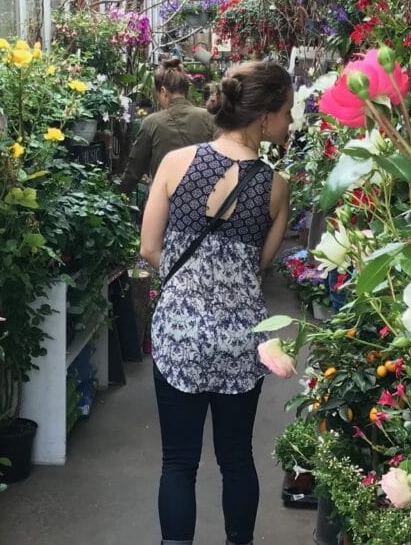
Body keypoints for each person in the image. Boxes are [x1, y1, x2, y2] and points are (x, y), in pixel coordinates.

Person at [139, 60, 293, 545]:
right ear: (264, 117)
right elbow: (259, 267)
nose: (289, 123)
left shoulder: (175, 164)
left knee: (178, 462)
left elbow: (148, 248)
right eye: (287, 112)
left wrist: (189, 292)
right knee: (237, 457)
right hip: (239, 341)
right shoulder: (275, 186)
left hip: (179, 335)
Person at [118, 58, 217, 194]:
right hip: (205, 203)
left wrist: (117, 197)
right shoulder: (209, 118)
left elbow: (134, 171)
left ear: (163, 91)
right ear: (185, 90)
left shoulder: (151, 123)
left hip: (164, 203)